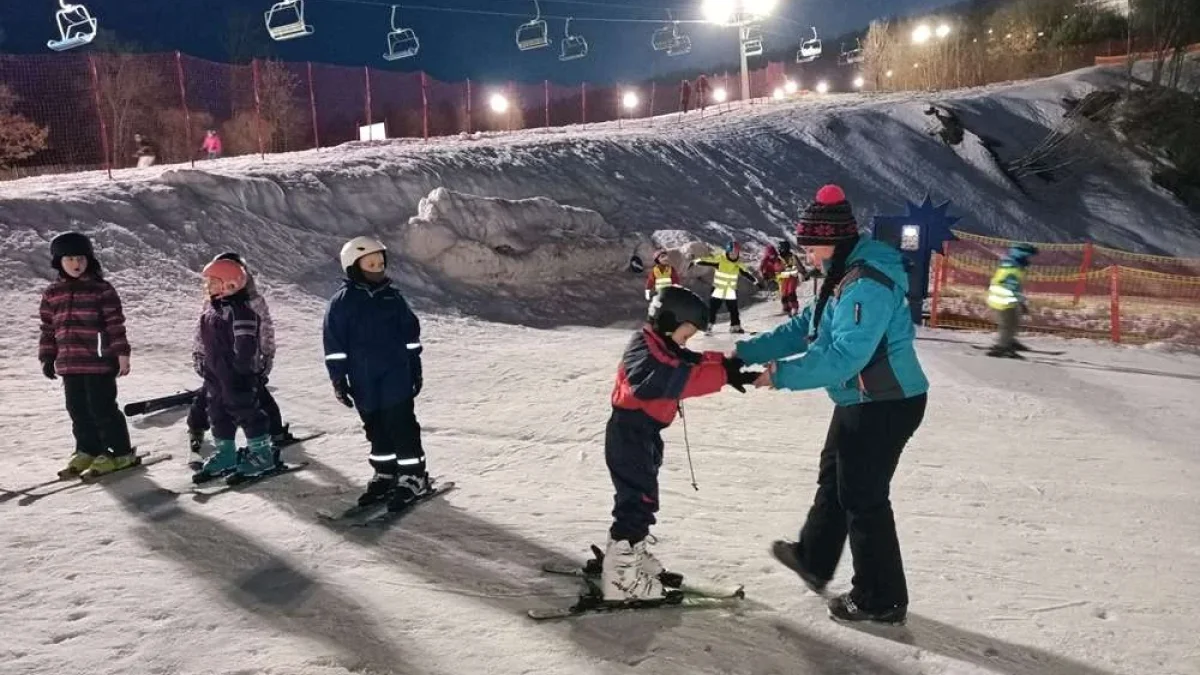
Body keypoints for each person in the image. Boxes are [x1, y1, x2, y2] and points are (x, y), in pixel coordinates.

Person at [733, 184, 929, 625]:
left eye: (814, 247)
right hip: (860, 397)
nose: (809, 256)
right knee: (835, 475)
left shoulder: (867, 283)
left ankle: (881, 598)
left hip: (887, 402)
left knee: (864, 497)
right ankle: (814, 559)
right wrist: (748, 352)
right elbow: (809, 325)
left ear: (836, 242)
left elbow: (845, 355)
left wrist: (781, 375)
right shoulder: (843, 275)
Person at [602, 285, 759, 601]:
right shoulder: (643, 350)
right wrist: (722, 377)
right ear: (669, 322)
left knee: (641, 498)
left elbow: (687, 361)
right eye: (686, 334)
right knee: (637, 502)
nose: (687, 342)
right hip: (630, 433)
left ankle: (627, 556)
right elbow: (664, 378)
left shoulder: (659, 344)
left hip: (644, 433)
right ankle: (619, 579)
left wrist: (725, 366)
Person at [323, 236, 428, 510]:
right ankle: (385, 473)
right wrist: (338, 378)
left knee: (400, 424)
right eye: (370, 263)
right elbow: (334, 344)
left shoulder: (392, 298)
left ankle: (413, 476)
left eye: (380, 262)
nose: (378, 268)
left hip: (395, 373)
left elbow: (410, 334)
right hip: (362, 378)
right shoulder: (342, 303)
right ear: (354, 267)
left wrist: (414, 367)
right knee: (375, 427)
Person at [40, 232, 137, 479]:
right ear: (59, 262)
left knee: (102, 408)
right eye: (70, 258)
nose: (76, 264)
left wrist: (121, 354)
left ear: (89, 260)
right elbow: (49, 329)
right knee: (77, 409)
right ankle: (88, 449)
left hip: (98, 362)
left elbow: (115, 324)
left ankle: (119, 452)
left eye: (81, 258)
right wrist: (48, 357)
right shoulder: (52, 293)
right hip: (70, 364)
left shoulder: (101, 290)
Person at [187, 252, 290, 469]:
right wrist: (200, 356)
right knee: (217, 411)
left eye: (213, 282)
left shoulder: (244, 309)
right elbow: (201, 334)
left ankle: (262, 451)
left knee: (247, 408)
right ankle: (226, 453)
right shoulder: (211, 308)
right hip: (215, 371)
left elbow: (256, 337)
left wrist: (256, 362)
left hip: (237, 373)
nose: (207, 286)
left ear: (231, 284)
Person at [692, 241, 759, 334]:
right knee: (713, 309)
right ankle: (708, 326)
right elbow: (707, 261)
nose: (734, 255)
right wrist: (695, 261)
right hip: (718, 288)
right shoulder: (720, 260)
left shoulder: (738, 264)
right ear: (728, 252)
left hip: (730, 290)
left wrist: (756, 282)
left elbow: (746, 273)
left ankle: (735, 327)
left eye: (736, 253)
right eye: (732, 253)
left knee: (733, 309)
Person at [985, 243, 1038, 358]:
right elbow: (1011, 286)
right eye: (1028, 256)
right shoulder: (1014, 267)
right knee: (1008, 325)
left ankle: (1009, 341)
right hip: (1002, 299)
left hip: (1003, 297)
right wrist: (1021, 301)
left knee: (1013, 322)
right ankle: (1002, 348)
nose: (1029, 260)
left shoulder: (1009, 263)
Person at [776, 240, 803, 317]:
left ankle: (794, 308)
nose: (779, 250)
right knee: (784, 294)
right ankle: (786, 309)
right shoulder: (778, 258)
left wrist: (803, 272)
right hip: (783, 278)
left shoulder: (792, 257)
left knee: (791, 293)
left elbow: (799, 265)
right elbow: (775, 268)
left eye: (780, 248)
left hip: (792, 277)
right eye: (779, 248)